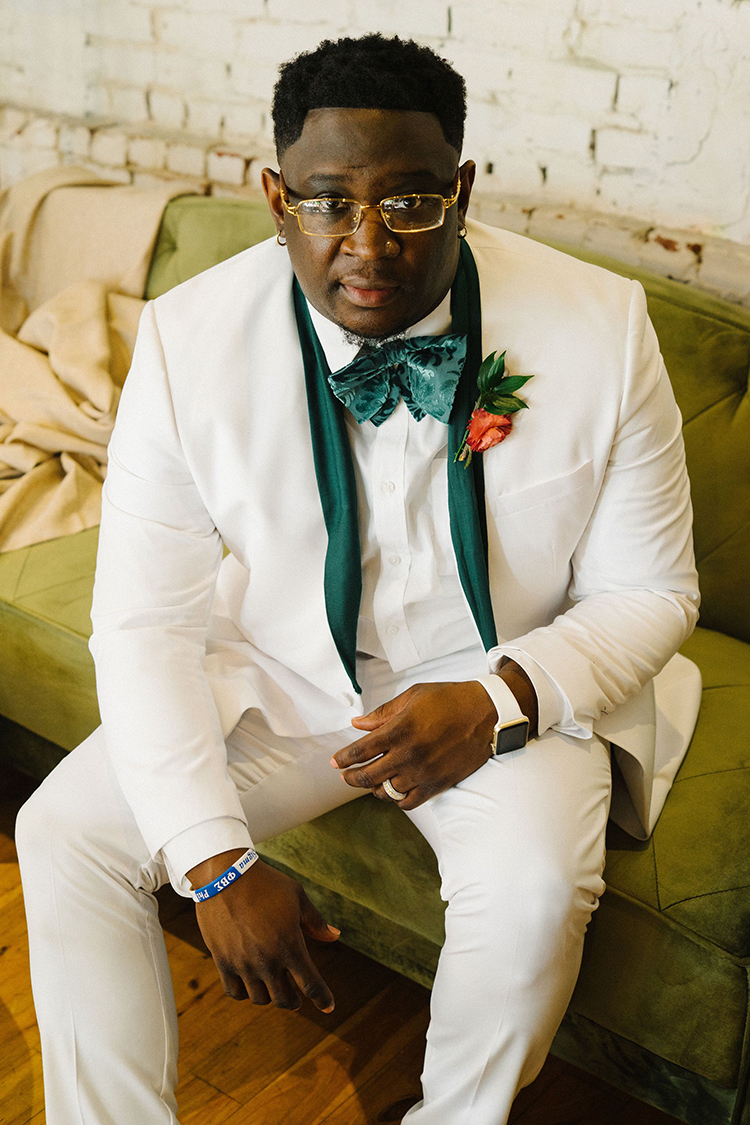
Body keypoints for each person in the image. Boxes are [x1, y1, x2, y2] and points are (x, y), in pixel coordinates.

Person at [16, 33, 700, 1125]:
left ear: (462, 191)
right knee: (63, 836)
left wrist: (496, 698)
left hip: (508, 676)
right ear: (277, 198)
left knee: (533, 898)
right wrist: (216, 866)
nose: (369, 245)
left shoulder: (602, 330)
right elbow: (142, 619)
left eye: (411, 202)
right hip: (288, 668)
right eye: (330, 202)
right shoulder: (189, 342)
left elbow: (655, 589)